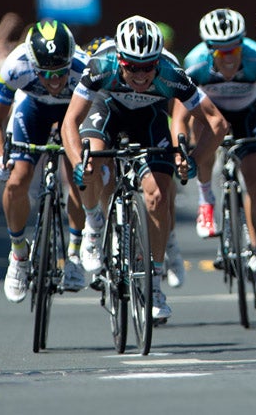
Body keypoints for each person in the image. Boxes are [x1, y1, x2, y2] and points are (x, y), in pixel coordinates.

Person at [62, 16, 228, 322]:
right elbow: (70, 121)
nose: (140, 74)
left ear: (158, 62)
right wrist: (77, 162)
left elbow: (217, 122)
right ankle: (94, 224)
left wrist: (195, 158)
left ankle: (153, 285)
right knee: (92, 163)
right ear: (120, 60)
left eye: (148, 67)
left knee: (157, 197)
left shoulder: (171, 72)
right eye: (132, 67)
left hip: (149, 120)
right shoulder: (102, 66)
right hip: (107, 110)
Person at [175, 8, 256, 305]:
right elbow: (180, 117)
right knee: (203, 133)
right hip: (211, 115)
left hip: (249, 114)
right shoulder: (195, 64)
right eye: (220, 51)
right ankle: (205, 199)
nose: (228, 57)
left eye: (233, 49)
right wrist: (183, 151)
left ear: (242, 44)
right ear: (209, 49)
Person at [0, 20, 90, 302]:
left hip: (72, 114)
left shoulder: (85, 68)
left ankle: (75, 254)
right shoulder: (16, 65)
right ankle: (18, 254)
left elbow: (98, 118)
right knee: (17, 180)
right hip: (32, 111)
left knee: (79, 179)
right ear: (32, 64)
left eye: (60, 73)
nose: (54, 81)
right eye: (46, 74)